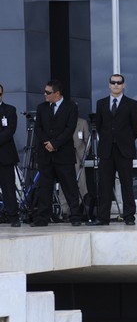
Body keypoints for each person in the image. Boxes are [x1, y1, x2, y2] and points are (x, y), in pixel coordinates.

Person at [92, 74, 137, 226]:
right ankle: (103, 217)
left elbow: (136, 127)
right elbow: (99, 126)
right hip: (106, 150)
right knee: (105, 185)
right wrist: (108, 139)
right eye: (113, 82)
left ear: (123, 85)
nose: (116, 85)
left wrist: (124, 140)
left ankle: (129, 216)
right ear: (109, 85)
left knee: (127, 184)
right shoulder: (101, 103)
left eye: (119, 83)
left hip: (124, 150)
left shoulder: (131, 104)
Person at [31, 79, 82, 227]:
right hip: (45, 154)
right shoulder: (42, 107)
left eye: (48, 92)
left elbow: (69, 128)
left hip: (63, 154)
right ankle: (42, 218)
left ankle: (75, 216)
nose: (45, 94)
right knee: (45, 187)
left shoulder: (71, 107)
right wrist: (47, 142)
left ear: (57, 93)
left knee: (70, 187)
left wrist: (55, 143)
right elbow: (38, 128)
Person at [0, 84, 21, 227]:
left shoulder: (9, 110)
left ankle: (13, 216)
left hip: (5, 156)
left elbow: (9, 131)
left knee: (8, 187)